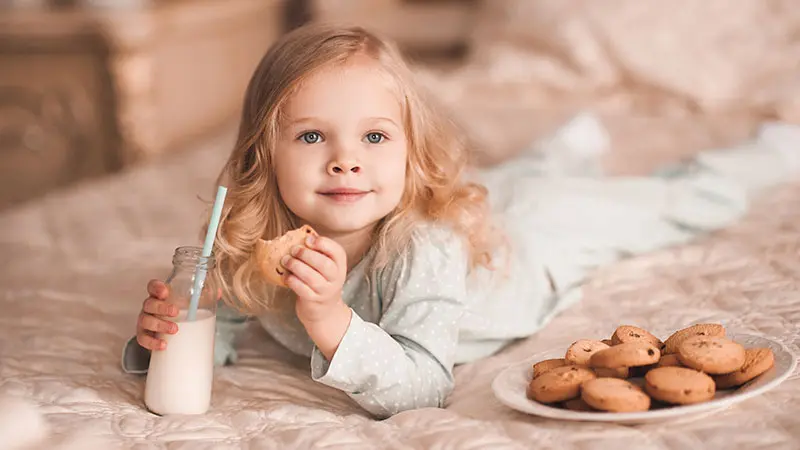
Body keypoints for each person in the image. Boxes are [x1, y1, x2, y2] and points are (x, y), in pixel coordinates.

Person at [121, 23, 800, 418]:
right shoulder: (250, 243)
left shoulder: (422, 246)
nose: (345, 163)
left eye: (376, 139)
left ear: (411, 150)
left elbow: (427, 383)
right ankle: (562, 149)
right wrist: (166, 336)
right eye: (311, 138)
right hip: (476, 206)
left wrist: (329, 319)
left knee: (656, 205)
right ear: (261, 154)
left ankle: (768, 152)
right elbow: (224, 329)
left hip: (525, 250)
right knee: (498, 186)